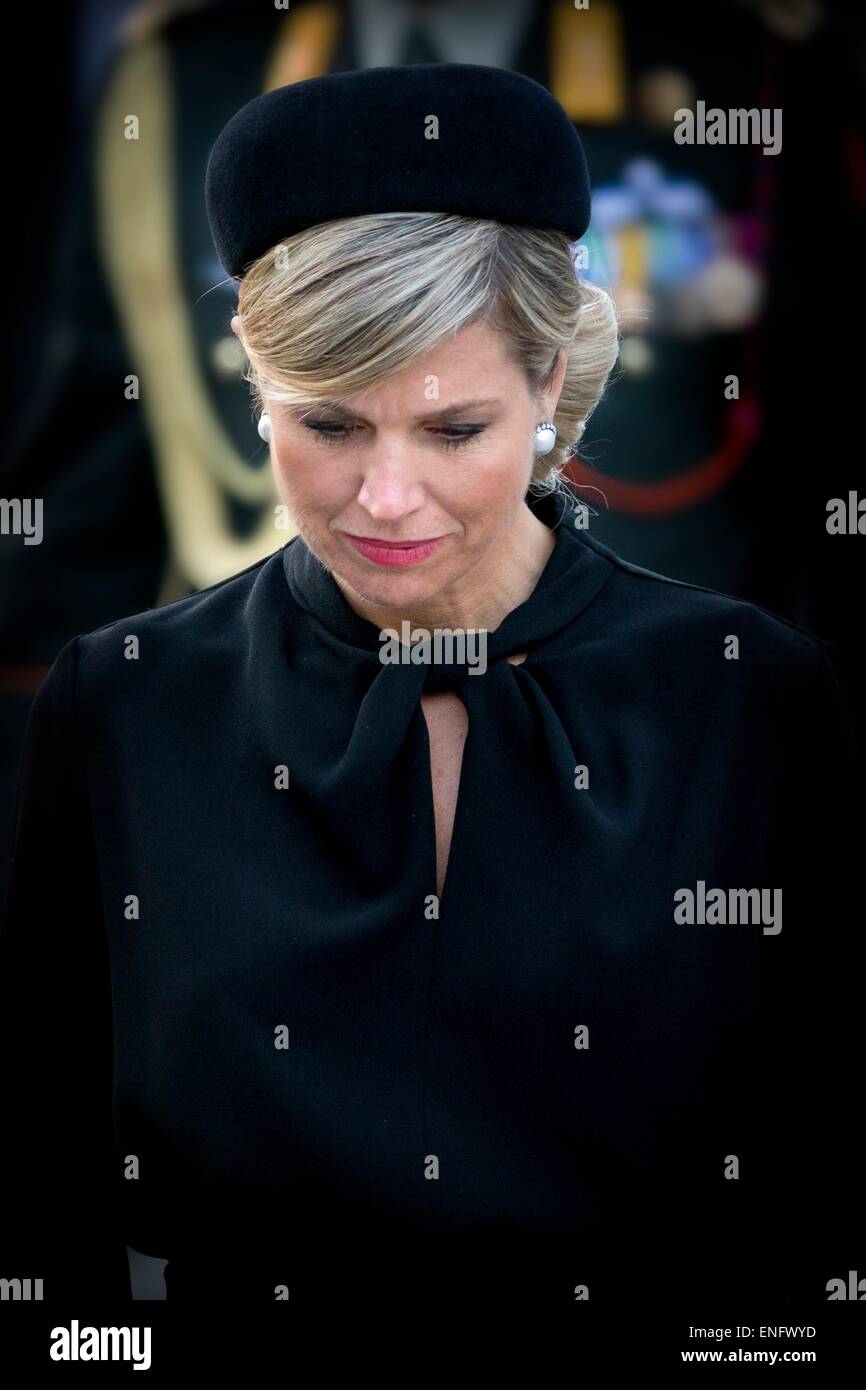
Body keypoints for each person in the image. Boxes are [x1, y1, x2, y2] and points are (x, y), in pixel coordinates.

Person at [0, 64, 859, 1315]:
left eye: (452, 430)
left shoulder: (753, 703)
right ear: (253, 389)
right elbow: (43, 1185)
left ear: (550, 395)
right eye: (328, 425)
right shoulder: (123, 704)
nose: (385, 500)